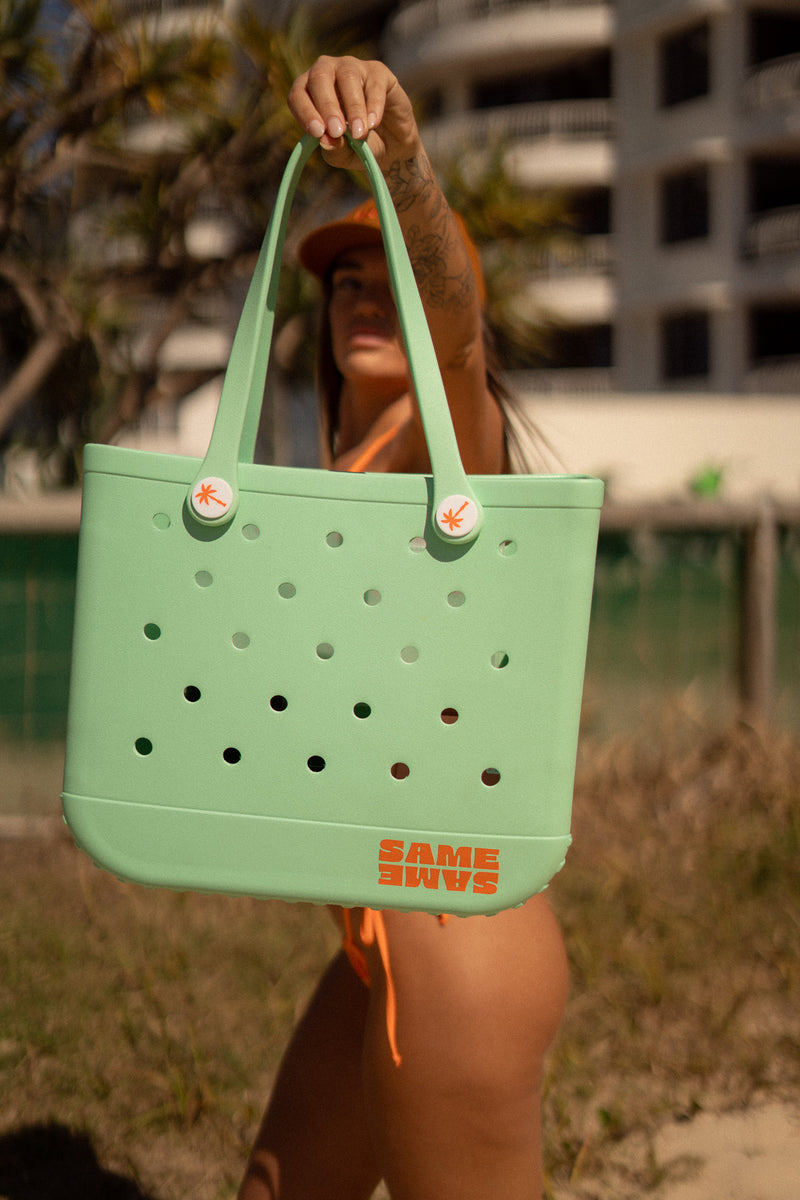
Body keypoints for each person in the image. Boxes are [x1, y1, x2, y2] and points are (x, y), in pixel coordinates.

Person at [237, 56, 569, 1200]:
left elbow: (458, 331)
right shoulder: (337, 479)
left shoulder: (447, 456)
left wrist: (407, 168)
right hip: (385, 934)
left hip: (454, 936)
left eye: (392, 279)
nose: (366, 299)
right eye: (344, 284)